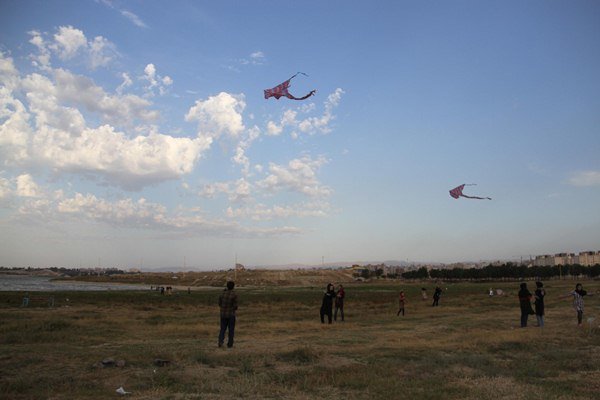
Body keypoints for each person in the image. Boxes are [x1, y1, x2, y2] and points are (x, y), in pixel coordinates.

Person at [218, 281, 238, 348]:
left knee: (222, 329)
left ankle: (220, 341)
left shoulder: (222, 293)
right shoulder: (234, 295)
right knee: (231, 330)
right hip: (231, 314)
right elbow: (235, 306)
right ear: (233, 286)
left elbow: (219, 304)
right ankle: (230, 344)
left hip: (223, 314)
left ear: (227, 286)